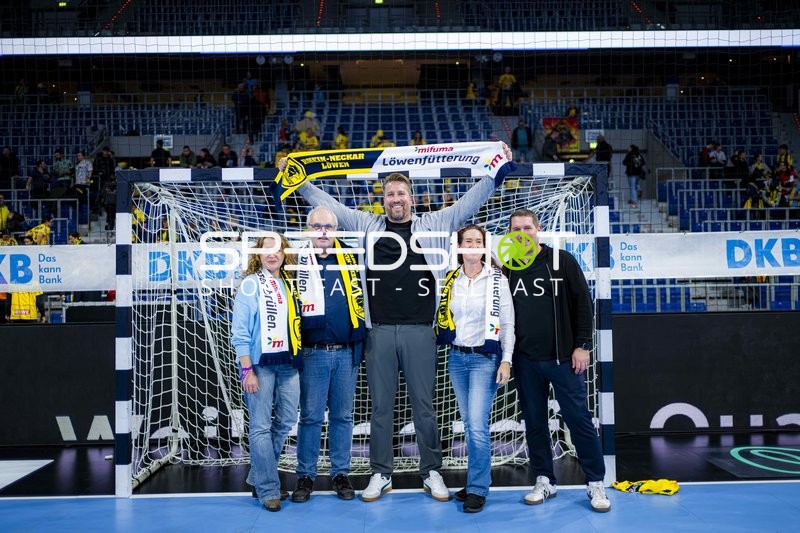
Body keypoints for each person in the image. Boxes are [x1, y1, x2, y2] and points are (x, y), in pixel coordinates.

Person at [278, 142, 514, 503]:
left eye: (401, 192)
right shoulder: (367, 224)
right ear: (383, 199)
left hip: (422, 330)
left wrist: (497, 168)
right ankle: (380, 474)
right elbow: (328, 207)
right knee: (381, 407)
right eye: (389, 194)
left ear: (412, 198)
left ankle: (431, 471)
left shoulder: (435, 223)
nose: (395, 198)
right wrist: (298, 179)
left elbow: (469, 202)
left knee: (424, 404)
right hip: (379, 332)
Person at [505, 209, 611, 513]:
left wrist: (583, 345)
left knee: (579, 421)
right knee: (535, 424)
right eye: (516, 229)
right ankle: (544, 479)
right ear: (509, 233)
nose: (522, 233)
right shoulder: (509, 265)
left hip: (563, 359)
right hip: (526, 361)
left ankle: (596, 483)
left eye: (527, 227)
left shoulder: (560, 259)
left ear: (538, 230)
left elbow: (582, 303)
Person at [435, 224, 514, 513]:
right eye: (467, 240)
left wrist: (506, 359)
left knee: (478, 427)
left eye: (477, 240)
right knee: (469, 425)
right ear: (459, 247)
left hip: (485, 359)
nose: (472, 244)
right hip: (457, 358)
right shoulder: (451, 279)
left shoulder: (497, 279)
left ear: (484, 246)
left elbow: (507, 323)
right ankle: (474, 481)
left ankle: (479, 488)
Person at [291, 207, 366, 503]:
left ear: (336, 230)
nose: (323, 231)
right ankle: (305, 476)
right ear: (309, 228)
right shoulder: (295, 260)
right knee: (309, 417)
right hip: (312, 353)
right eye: (317, 226)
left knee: (343, 417)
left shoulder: (351, 257)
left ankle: (340, 473)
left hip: (346, 352)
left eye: (328, 226)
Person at [231, 233, 303, 512]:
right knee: (260, 425)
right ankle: (268, 488)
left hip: (287, 363)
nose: (272, 254)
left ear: (285, 253)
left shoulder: (288, 284)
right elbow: (239, 333)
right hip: (259, 365)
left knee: (286, 420)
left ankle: (258, 475)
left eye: (277, 249)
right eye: (266, 249)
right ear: (258, 254)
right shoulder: (250, 285)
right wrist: (247, 370)